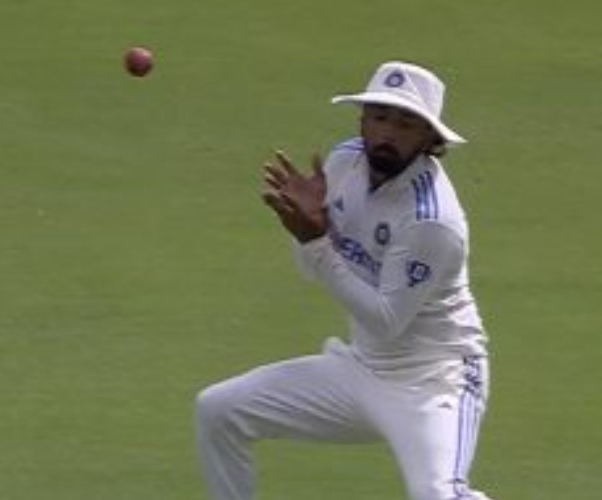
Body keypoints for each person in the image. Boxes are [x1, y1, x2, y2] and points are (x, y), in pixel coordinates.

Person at [195, 61, 494, 500]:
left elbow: (386, 320)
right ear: (362, 120)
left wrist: (317, 244)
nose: (388, 133)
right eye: (379, 117)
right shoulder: (345, 162)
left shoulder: (433, 220)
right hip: (361, 369)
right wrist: (305, 234)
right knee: (218, 410)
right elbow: (310, 267)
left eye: (406, 124)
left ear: (430, 139)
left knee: (438, 495)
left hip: (434, 381)